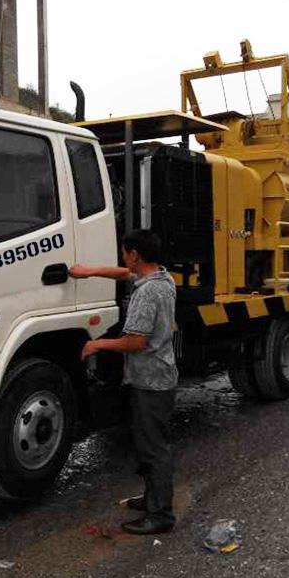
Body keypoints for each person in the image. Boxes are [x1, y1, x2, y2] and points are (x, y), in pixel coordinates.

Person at [69, 229, 178, 535]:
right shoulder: (161, 278)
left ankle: (161, 515)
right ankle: (152, 499)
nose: (122, 257)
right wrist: (89, 272)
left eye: (125, 252)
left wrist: (98, 345)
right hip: (161, 376)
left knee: (154, 447)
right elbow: (123, 273)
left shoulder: (146, 293)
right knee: (149, 443)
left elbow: (136, 342)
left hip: (150, 381)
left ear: (135, 255)